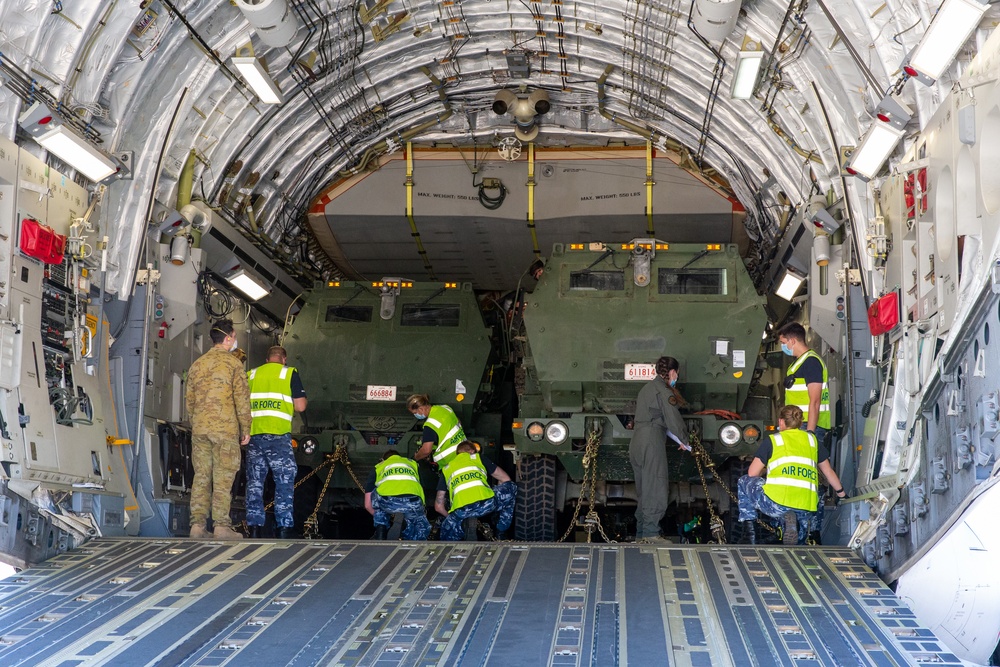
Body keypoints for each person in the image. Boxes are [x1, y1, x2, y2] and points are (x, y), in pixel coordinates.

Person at [737, 405, 846, 544]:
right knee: (818, 490)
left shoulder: (773, 440)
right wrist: (842, 494)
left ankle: (750, 535)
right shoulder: (812, 440)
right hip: (806, 509)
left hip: (777, 505)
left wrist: (767, 471)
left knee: (744, 481)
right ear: (800, 423)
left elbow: (752, 473)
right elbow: (828, 472)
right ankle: (812, 533)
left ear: (781, 421)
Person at [185, 319, 252, 540]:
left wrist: (197, 424)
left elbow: (190, 401)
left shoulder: (198, 365)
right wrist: (246, 428)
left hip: (201, 430)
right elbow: (242, 400)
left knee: (202, 476)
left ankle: (197, 526)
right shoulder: (234, 365)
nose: (235, 340)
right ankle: (222, 527)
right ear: (228, 337)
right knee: (223, 478)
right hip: (225, 430)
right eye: (234, 336)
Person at [245, 346, 307, 539]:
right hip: (279, 436)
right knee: (284, 482)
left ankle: (254, 529)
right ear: (284, 359)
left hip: (254, 436)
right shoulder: (289, 373)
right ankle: (284, 528)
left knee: (255, 483)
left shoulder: (251, 374)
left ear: (266, 359)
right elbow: (300, 406)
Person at [629, 356, 690, 544]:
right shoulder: (663, 391)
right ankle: (651, 534)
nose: (676, 377)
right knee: (656, 486)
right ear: (672, 372)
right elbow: (673, 420)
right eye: (676, 374)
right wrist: (686, 441)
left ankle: (641, 533)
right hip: (651, 441)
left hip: (637, 442)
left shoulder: (646, 389)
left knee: (644, 489)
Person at [435, 441, 517, 541]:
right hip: (487, 505)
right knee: (511, 487)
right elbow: (505, 479)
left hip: (461, 512)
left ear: (458, 454)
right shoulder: (477, 457)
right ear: (473, 451)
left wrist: (453, 518)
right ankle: (501, 530)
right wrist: (495, 491)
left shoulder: (447, 468)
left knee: (446, 535)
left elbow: (438, 506)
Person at [777, 322, 831, 444]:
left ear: (793, 341)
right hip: (798, 423)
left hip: (808, 425)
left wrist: (810, 432)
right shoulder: (797, 364)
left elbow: (815, 401)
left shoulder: (811, 362)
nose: (783, 346)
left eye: (783, 343)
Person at [364, 450, 431, 541]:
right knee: (419, 525)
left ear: (383, 460)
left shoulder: (378, 467)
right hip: (413, 501)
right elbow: (421, 486)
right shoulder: (412, 464)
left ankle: (381, 530)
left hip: (387, 501)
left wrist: (386, 518)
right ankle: (406, 529)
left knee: (376, 493)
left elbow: (367, 505)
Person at [407, 394, 468, 467]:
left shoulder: (430, 425)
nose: (416, 415)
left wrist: (415, 458)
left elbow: (426, 450)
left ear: (421, 409)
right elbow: (458, 422)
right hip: (465, 451)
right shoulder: (445, 408)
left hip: (449, 462)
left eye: (415, 413)